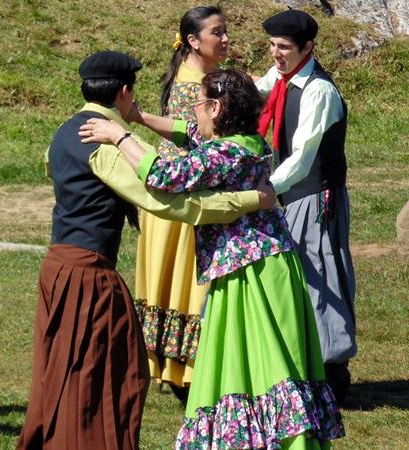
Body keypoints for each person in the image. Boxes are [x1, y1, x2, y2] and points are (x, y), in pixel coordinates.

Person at [16, 51, 278, 450]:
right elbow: (164, 200)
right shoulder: (103, 141)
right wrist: (247, 200)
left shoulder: (64, 131)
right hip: (88, 273)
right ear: (124, 92)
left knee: (62, 369)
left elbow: (52, 166)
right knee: (111, 371)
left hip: (56, 268)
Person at [80, 68, 344, 449]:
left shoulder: (228, 153)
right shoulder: (244, 142)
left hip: (253, 273)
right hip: (256, 266)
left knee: (267, 364)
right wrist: (139, 118)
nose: (196, 114)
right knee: (251, 363)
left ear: (216, 108)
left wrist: (119, 134)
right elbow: (187, 132)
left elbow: (164, 173)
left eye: (200, 105)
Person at [256, 9, 356, 404]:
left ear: (308, 48)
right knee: (299, 279)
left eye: (283, 47)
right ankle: (311, 367)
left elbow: (302, 157)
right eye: (272, 46)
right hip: (290, 195)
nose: (275, 54)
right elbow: (256, 92)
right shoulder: (281, 78)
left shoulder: (319, 90)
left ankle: (334, 373)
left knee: (322, 276)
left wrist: (266, 189)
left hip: (315, 196)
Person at [135, 5, 228, 402]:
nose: (225, 40)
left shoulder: (198, 77)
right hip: (183, 200)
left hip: (175, 195)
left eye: (225, 32)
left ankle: (175, 366)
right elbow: (198, 139)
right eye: (217, 33)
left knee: (178, 282)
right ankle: (185, 368)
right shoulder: (197, 87)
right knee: (188, 284)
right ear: (193, 41)